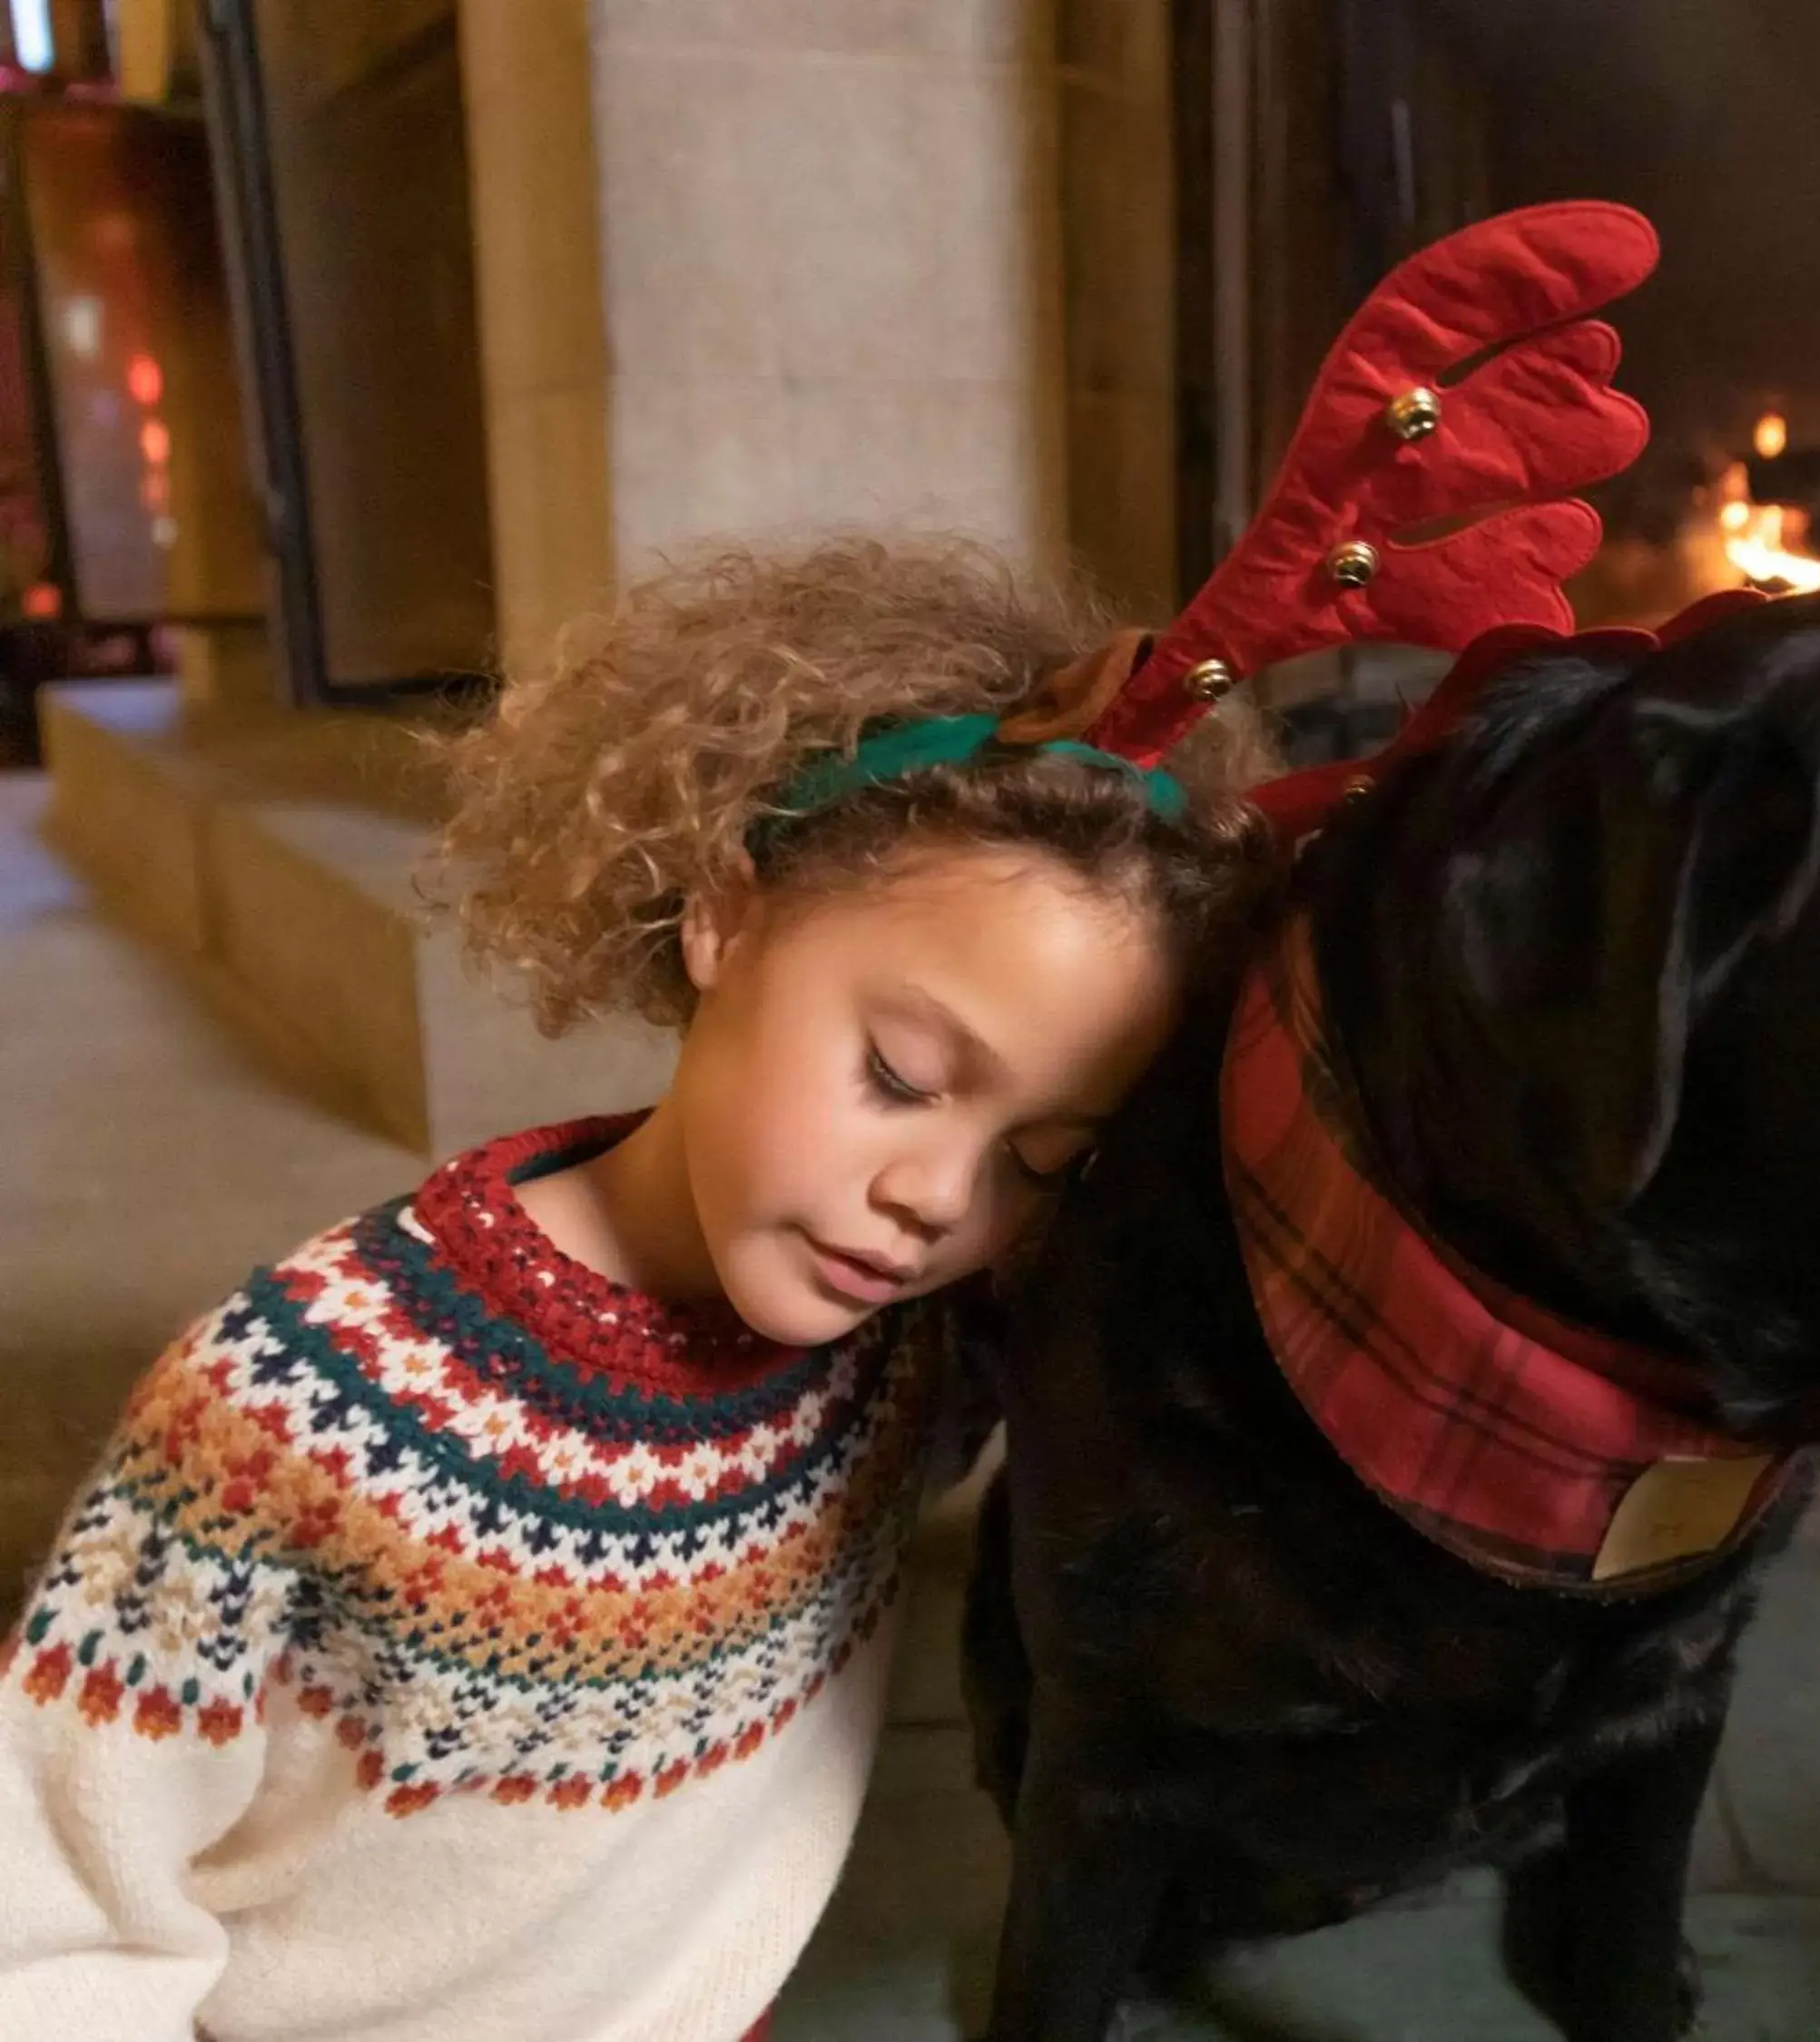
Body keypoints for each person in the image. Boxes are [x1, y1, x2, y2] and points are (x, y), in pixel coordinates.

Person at [0, 536, 1272, 2041]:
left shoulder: (917, 1346)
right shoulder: (289, 1409)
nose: (940, 1198)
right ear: (725, 914)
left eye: (1043, 1157)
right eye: (900, 1074)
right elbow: (55, 1908)